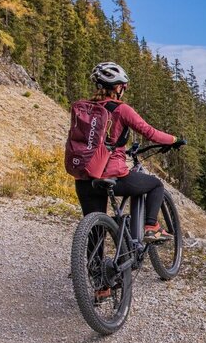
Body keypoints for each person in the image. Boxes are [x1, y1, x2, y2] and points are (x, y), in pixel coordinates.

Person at [74, 61, 183, 244]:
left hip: (84, 177)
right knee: (156, 185)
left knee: (95, 230)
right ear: (117, 87)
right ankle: (151, 227)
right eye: (123, 87)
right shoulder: (121, 109)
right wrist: (174, 140)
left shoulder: (82, 109)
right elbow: (150, 133)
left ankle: (94, 271)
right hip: (112, 176)